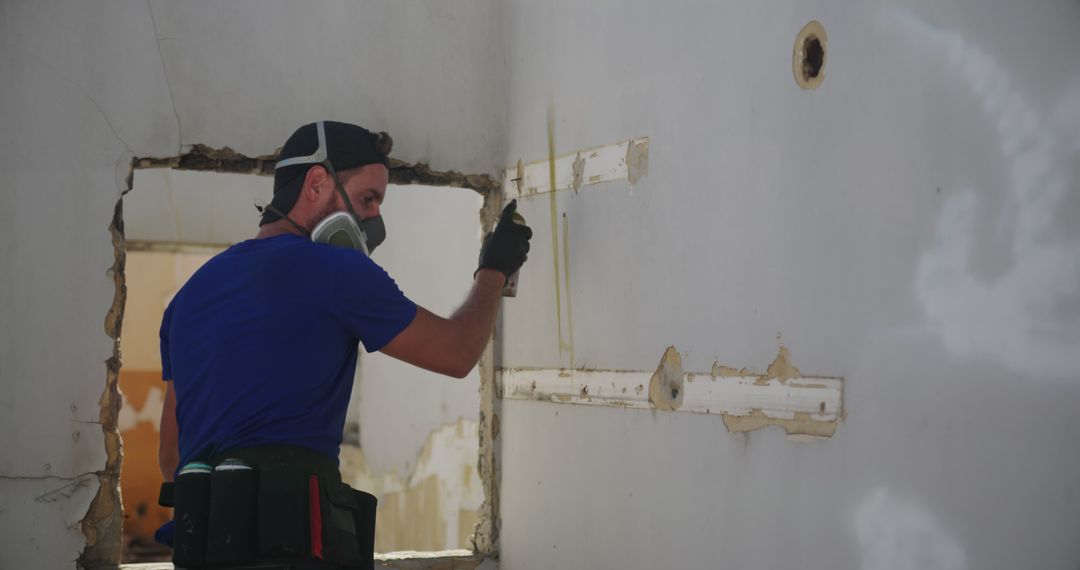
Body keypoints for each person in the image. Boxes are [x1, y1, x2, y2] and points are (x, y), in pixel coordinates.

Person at [155, 121, 531, 568]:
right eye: (368, 198)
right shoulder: (336, 270)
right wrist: (494, 269)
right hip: (293, 549)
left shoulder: (187, 299)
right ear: (317, 183)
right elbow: (457, 352)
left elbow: (171, 456)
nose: (374, 218)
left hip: (203, 550)